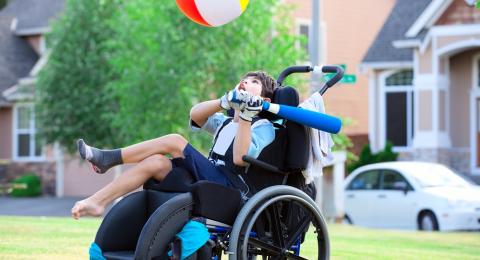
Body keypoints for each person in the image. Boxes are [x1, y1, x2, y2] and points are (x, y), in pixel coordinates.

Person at [71, 71, 277, 220]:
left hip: (231, 189)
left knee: (175, 141)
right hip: (210, 176)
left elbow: (239, 158)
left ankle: (108, 158)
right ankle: (98, 201)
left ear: (264, 99)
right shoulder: (225, 121)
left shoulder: (264, 127)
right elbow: (195, 114)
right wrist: (223, 102)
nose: (245, 81)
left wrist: (247, 117)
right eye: (244, 79)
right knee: (156, 163)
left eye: (253, 82)